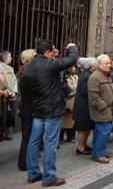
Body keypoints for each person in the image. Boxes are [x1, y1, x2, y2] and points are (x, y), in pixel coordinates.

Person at [23, 40, 78, 186]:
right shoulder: (48, 64)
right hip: (51, 109)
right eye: (53, 52)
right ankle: (49, 177)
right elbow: (72, 59)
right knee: (50, 143)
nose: (55, 54)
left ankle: (33, 173)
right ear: (47, 52)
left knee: (34, 141)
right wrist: (72, 47)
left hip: (37, 108)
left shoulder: (29, 66)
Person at [88, 55, 113, 164]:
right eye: (107, 63)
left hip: (108, 110)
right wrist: (104, 107)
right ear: (99, 64)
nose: (109, 65)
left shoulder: (106, 76)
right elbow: (94, 97)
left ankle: (98, 151)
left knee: (101, 132)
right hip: (102, 111)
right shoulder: (95, 77)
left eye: (109, 63)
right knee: (103, 132)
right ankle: (98, 154)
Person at [72, 57, 97, 155]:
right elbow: (86, 91)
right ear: (92, 67)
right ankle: (80, 147)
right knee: (82, 129)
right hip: (83, 107)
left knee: (87, 128)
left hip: (86, 107)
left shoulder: (88, 74)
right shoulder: (86, 76)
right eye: (96, 65)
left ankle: (84, 145)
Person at [17, 49, 36, 171]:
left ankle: (27, 160)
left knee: (30, 137)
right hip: (29, 109)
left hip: (30, 108)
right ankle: (23, 162)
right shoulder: (27, 74)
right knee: (27, 137)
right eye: (34, 56)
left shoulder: (29, 72)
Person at [0, 51, 18, 140]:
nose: (11, 58)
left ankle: (7, 132)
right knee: (3, 115)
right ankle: (1, 133)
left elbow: (15, 81)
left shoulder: (11, 68)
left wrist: (14, 91)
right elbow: (1, 82)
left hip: (11, 96)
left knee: (11, 115)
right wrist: (8, 91)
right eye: (10, 57)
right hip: (4, 96)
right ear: (5, 59)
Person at [59, 66, 78, 143]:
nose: (74, 68)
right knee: (64, 119)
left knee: (72, 119)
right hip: (66, 100)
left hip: (74, 100)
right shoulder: (64, 78)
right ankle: (61, 136)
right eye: (72, 67)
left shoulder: (76, 77)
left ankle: (71, 136)